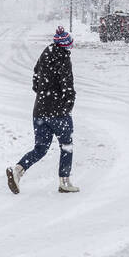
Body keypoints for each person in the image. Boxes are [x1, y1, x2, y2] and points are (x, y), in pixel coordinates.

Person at [6, 26, 79, 194]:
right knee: (66, 146)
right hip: (58, 113)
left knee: (40, 148)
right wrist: (67, 106)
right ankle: (65, 182)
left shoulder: (45, 53)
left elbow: (35, 80)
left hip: (39, 111)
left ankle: (18, 170)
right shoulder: (64, 59)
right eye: (70, 45)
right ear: (66, 45)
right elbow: (68, 87)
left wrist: (43, 96)